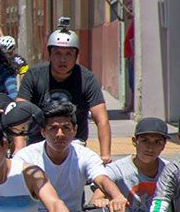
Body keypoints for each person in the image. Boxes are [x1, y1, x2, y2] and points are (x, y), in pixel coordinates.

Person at [18, 20, 111, 162]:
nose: (63, 59)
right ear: (49, 54)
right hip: (38, 140)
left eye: (68, 54)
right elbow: (19, 113)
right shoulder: (34, 75)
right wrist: (19, 148)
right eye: (57, 53)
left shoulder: (87, 79)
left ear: (76, 56)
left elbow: (101, 118)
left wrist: (105, 155)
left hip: (73, 142)